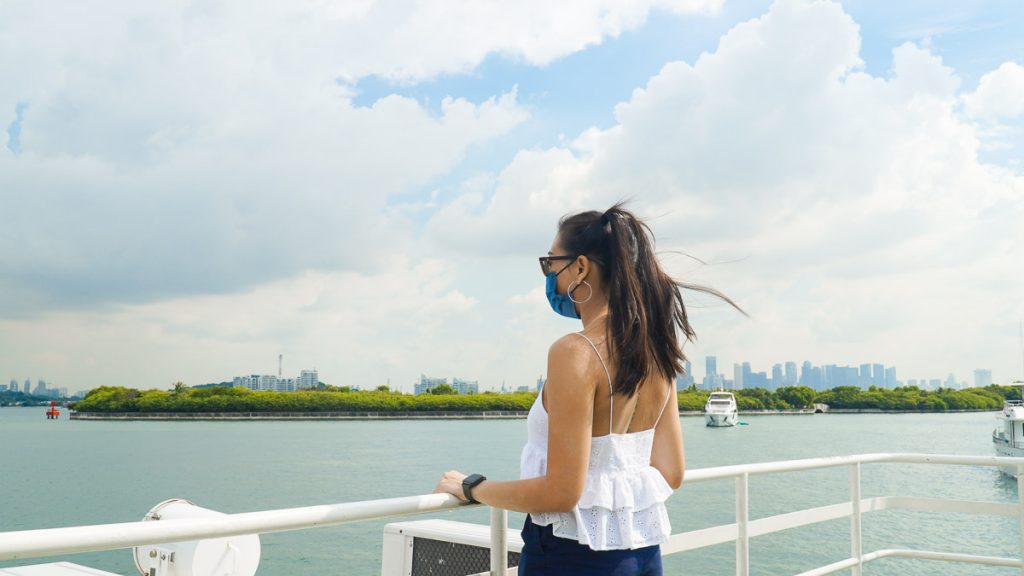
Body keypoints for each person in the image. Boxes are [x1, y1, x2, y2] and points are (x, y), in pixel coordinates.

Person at [434, 203, 743, 575]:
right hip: (643, 551)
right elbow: (671, 472)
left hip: (572, 556)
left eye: (550, 263)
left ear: (579, 268)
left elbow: (562, 493)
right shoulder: (656, 349)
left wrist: (473, 488)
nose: (549, 275)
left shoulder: (574, 352)